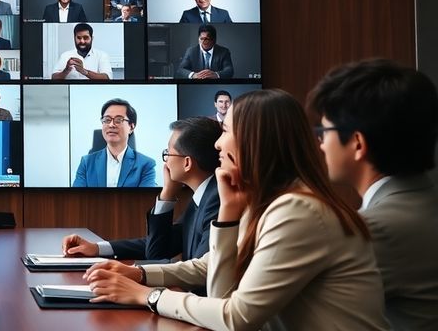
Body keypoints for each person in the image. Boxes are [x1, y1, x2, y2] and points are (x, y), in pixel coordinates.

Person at [84, 90, 387, 331]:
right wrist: (138, 273)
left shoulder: (297, 210)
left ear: (254, 139)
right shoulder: (275, 200)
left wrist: (147, 296)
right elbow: (209, 269)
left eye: (226, 130)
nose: (218, 144)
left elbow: (236, 317)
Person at [309, 58, 438, 329]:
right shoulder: (424, 199)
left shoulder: (374, 228)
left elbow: (268, 315)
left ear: (357, 143)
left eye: (324, 130)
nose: (320, 143)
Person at [63, 117, 221, 266]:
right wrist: (97, 248)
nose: (166, 162)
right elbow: (157, 251)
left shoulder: (215, 200)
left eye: (168, 153)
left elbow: (200, 272)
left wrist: (135, 274)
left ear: (187, 163)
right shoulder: (203, 196)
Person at [73, 99, 157, 187]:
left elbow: (145, 200)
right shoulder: (86, 163)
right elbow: (77, 198)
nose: (111, 125)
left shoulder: (146, 165)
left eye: (118, 120)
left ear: (131, 127)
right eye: (107, 120)